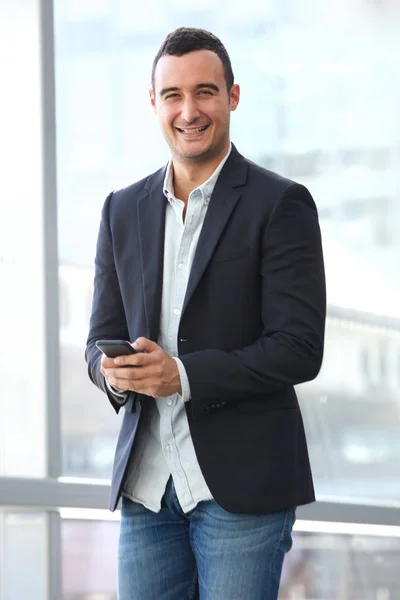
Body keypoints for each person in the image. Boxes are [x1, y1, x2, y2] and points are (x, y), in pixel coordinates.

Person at [86, 26, 326, 600]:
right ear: (154, 104)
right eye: (173, 95)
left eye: (205, 92)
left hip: (241, 490)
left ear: (232, 97)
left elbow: (299, 346)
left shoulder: (281, 204)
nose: (188, 110)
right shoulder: (122, 209)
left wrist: (183, 377)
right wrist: (111, 371)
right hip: (147, 486)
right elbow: (100, 338)